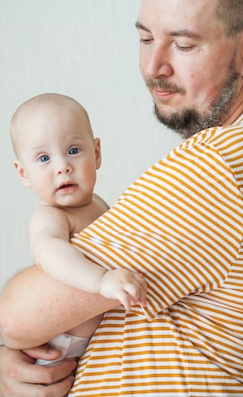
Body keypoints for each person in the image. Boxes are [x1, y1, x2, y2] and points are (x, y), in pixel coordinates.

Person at [0, 0, 243, 396]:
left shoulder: (216, 167)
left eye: (182, 45)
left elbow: (17, 319)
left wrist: (0, 357)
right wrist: (9, 364)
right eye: (145, 38)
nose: (153, 67)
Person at [8, 93, 147, 365]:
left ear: (96, 154)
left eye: (73, 151)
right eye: (44, 158)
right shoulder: (51, 216)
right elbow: (49, 252)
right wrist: (101, 280)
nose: (63, 167)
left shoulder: (98, 203)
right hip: (61, 346)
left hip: (98, 343)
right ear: (23, 173)